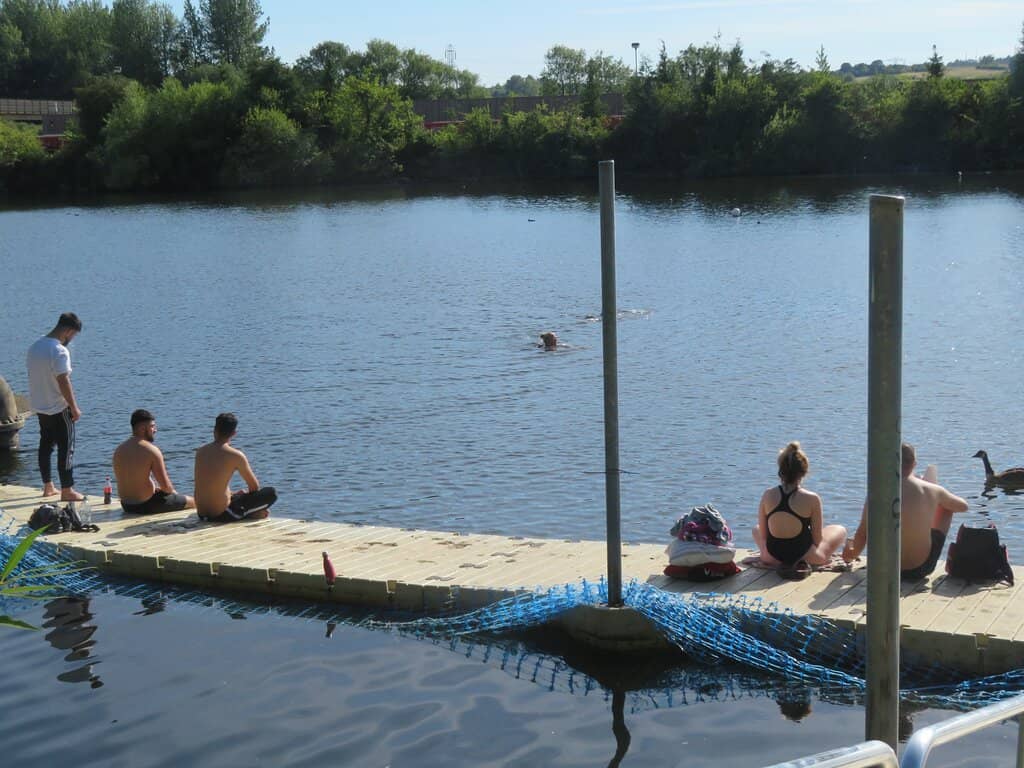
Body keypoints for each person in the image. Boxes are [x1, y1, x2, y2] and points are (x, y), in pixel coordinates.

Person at [843, 442, 968, 580]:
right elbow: (963, 506)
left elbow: (863, 532)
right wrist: (934, 495)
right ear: (914, 464)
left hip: (884, 570)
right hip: (918, 569)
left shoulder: (877, 491)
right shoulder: (932, 490)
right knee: (946, 508)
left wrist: (852, 554)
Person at [753, 441, 847, 567]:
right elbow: (817, 540)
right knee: (840, 530)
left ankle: (769, 556)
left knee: (757, 529)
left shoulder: (768, 494)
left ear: (781, 471)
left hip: (771, 557)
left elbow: (764, 536)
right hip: (807, 557)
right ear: (804, 472)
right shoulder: (812, 498)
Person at [26, 312, 84, 501]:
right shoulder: (59, 350)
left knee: (45, 446)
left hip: (40, 406)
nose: (72, 339)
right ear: (67, 330)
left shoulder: (35, 347)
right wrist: (74, 407)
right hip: (59, 407)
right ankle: (67, 489)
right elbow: (63, 380)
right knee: (67, 448)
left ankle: (48, 486)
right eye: (73, 335)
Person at [194, 412, 276, 522]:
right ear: (234, 433)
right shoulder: (236, 455)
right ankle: (252, 514)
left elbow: (209, 486)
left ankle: (251, 511)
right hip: (221, 516)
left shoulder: (201, 451)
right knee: (271, 493)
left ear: (214, 430)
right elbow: (254, 487)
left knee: (238, 496)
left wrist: (233, 494)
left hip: (202, 514)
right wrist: (244, 496)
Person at [112, 409, 195, 514]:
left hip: (126, 505)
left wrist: (154, 488)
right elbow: (167, 487)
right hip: (146, 505)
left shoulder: (120, 449)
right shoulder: (151, 450)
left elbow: (132, 479)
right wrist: (175, 496)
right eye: (152, 426)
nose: (155, 430)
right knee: (194, 502)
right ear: (142, 428)